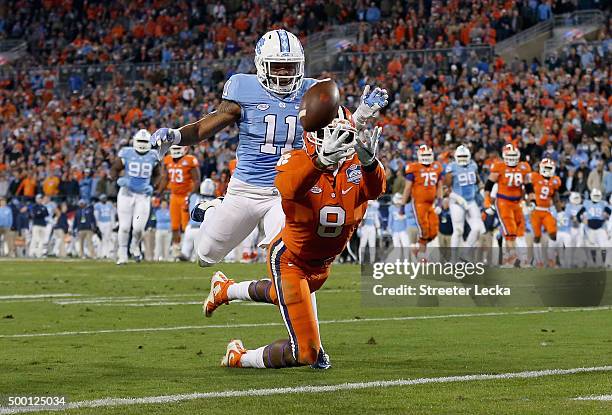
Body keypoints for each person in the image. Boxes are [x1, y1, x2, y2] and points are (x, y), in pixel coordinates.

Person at [203, 108, 385, 369]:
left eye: (343, 136)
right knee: (307, 353)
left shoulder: (355, 167)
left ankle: (225, 289)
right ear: (312, 135)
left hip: (322, 266)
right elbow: (290, 187)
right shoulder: (295, 160)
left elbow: (376, 189)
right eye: (327, 134)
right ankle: (240, 358)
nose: (335, 141)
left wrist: (370, 165)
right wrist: (320, 163)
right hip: (291, 260)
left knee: (281, 295)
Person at [110, 129, 161, 264]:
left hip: (143, 195)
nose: (143, 144)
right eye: (141, 141)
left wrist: (153, 186)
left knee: (138, 228)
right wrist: (117, 180)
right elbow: (114, 169)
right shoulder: (126, 152)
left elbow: (158, 174)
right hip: (126, 193)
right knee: (125, 226)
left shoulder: (153, 155)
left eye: (145, 141)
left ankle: (134, 245)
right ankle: (122, 255)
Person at [483, 144, 534, 266]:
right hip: (503, 202)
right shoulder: (499, 166)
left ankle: (517, 258)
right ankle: (513, 258)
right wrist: (487, 200)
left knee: (520, 231)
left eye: (513, 156)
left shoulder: (523, 167)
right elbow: (488, 185)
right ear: (504, 156)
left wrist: (532, 201)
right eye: (509, 155)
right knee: (510, 231)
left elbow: (528, 185)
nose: (511, 158)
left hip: (517, 203)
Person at [401, 145, 443, 260]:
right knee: (424, 229)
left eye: (428, 155)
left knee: (433, 231)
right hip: (419, 203)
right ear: (419, 156)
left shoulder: (437, 167)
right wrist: (402, 205)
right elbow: (407, 188)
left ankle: (418, 249)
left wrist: (440, 202)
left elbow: (439, 187)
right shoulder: (413, 168)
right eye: (424, 155)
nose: (426, 157)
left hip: (431, 203)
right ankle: (421, 255)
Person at [158, 145, 200, 259]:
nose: (176, 151)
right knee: (175, 226)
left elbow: (197, 180)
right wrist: (159, 192)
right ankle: (176, 250)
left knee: (187, 226)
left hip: (186, 196)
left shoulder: (190, 160)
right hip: (174, 196)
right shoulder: (167, 160)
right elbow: (165, 178)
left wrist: (191, 195)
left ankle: (188, 251)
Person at [444, 145, 484, 255]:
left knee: (477, 229)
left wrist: (483, 193)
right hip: (457, 202)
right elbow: (445, 188)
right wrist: (456, 197)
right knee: (458, 231)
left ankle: (465, 251)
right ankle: (453, 259)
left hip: (471, 201)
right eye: (460, 156)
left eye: (464, 156)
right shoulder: (451, 167)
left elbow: (479, 181)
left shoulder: (473, 165)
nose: (462, 159)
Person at [527, 158, 562, 267]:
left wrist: (559, 211)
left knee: (553, 233)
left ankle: (551, 259)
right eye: (546, 167)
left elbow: (556, 198)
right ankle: (539, 261)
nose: (547, 170)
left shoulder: (554, 181)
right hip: (535, 211)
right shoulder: (534, 177)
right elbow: (527, 188)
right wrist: (527, 201)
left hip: (546, 211)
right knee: (537, 236)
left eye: (549, 168)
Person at [181, 179, 216, 261]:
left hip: (190, 228)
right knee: (201, 259)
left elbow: (185, 209)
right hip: (204, 231)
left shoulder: (193, 197)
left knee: (185, 254)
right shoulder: (215, 200)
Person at [578, 188, 610, 266]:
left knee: (603, 246)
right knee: (592, 246)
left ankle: (604, 263)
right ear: (591, 195)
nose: (596, 197)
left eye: (597, 195)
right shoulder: (587, 203)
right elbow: (578, 214)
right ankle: (594, 262)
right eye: (595, 195)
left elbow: (609, 211)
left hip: (600, 228)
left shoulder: (603, 203)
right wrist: (581, 221)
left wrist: (607, 215)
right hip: (590, 228)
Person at [387, 193, 410, 260]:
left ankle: (406, 260)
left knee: (406, 246)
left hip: (404, 230)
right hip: (395, 231)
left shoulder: (405, 208)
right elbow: (390, 219)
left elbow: (408, 219)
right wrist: (389, 228)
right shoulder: (391, 208)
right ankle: (397, 261)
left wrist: (405, 217)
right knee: (397, 247)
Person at [358, 199, 381, 263]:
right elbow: (361, 219)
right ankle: (361, 260)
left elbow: (376, 219)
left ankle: (372, 261)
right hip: (364, 227)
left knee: (372, 245)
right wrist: (359, 228)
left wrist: (378, 228)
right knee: (362, 244)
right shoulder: (363, 208)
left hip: (372, 227)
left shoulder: (374, 209)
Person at [94, 194, 116, 259]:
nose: (104, 199)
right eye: (102, 198)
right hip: (101, 223)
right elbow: (96, 216)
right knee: (101, 239)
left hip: (108, 222)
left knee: (107, 238)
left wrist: (113, 224)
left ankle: (107, 253)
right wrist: (97, 225)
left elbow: (112, 215)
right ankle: (101, 254)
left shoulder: (110, 205)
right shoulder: (97, 205)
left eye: (105, 198)